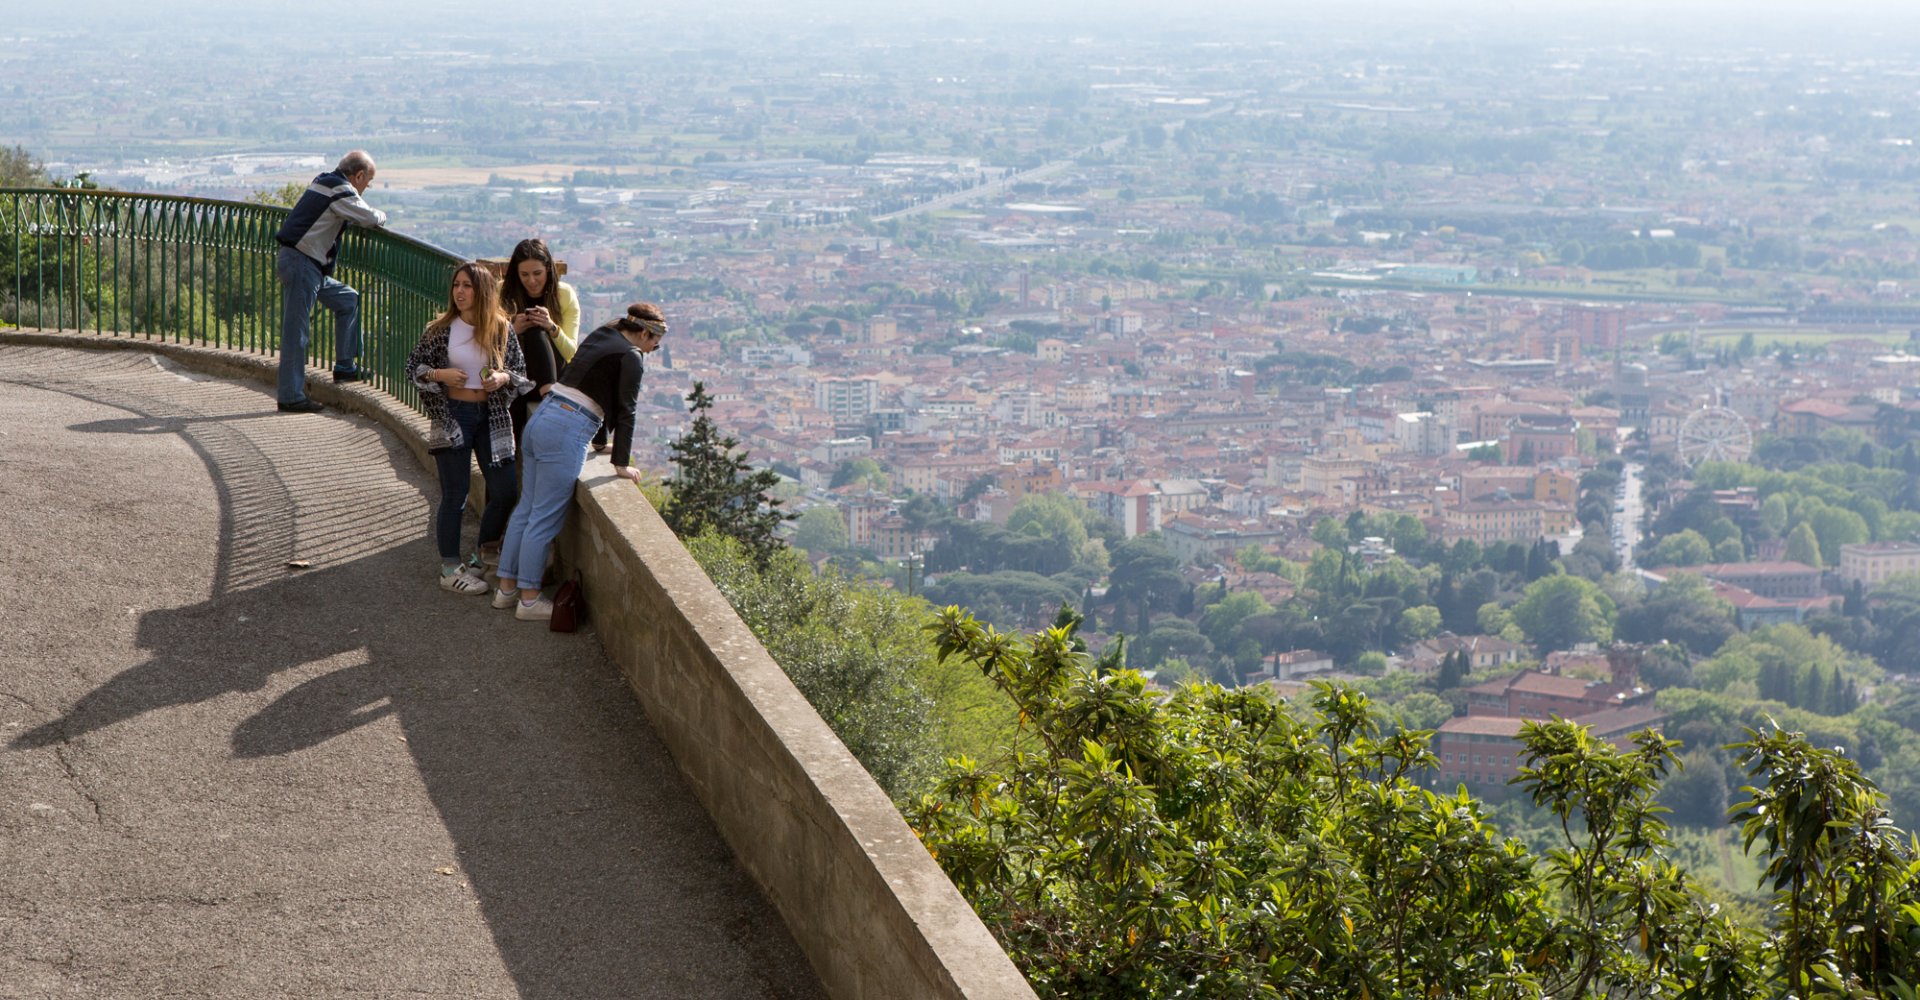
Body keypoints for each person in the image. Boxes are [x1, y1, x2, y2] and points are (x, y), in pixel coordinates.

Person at [493, 303, 664, 620]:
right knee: (543, 520)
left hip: (543, 418)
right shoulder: (632, 356)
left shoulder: (603, 335)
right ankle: (529, 600)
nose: (656, 348)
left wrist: (600, 442)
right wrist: (621, 463)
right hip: (566, 430)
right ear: (643, 333)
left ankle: (506, 590)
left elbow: (594, 388)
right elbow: (625, 410)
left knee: (526, 509)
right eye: (656, 340)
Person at [405, 262, 531, 594]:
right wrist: (439, 375)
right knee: (455, 493)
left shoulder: (502, 329)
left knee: (505, 491)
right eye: (456, 285)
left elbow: (520, 374)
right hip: (453, 415)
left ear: (484, 291)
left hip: (492, 416)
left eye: (468, 286)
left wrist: (502, 378)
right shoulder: (440, 329)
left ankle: (479, 558)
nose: (459, 292)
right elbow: (414, 367)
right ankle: (449, 568)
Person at [274, 150, 387, 413]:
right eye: (366, 183)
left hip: (307, 265)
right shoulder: (340, 190)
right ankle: (290, 396)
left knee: (348, 298)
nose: (364, 190)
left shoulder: (324, 180)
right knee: (296, 332)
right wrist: (382, 215)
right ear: (358, 175)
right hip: (302, 263)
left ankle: (345, 367)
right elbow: (369, 217)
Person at [497, 238, 579, 445]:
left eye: (537, 274)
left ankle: (548, 396)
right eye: (524, 275)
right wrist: (512, 330)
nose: (531, 281)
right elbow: (487, 345)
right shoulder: (501, 293)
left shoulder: (564, 294)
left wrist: (551, 327)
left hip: (553, 376)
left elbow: (570, 352)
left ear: (548, 271)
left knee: (536, 333)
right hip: (514, 374)